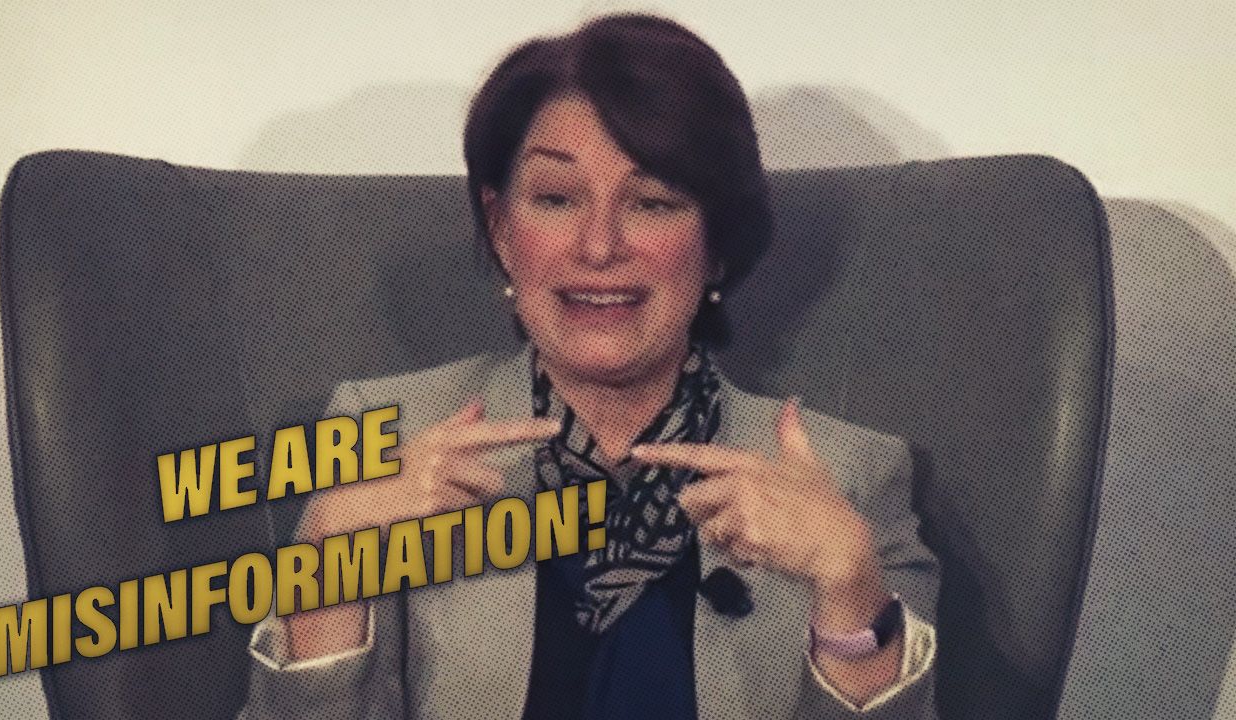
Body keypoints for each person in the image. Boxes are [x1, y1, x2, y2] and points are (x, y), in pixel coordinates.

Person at [239, 12, 939, 720]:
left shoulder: (850, 478)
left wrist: (850, 590)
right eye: (556, 199)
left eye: (652, 202)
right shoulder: (384, 433)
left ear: (717, 245)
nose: (599, 246)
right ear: (501, 228)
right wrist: (325, 561)